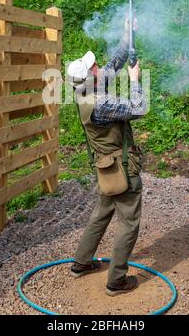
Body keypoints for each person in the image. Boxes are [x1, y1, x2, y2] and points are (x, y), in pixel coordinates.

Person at [67, 19, 147, 296]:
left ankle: (81, 262)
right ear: (92, 77)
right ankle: (117, 280)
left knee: (102, 212)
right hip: (122, 168)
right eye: (94, 67)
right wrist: (135, 81)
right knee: (129, 222)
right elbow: (139, 107)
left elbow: (114, 62)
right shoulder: (102, 103)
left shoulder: (86, 92)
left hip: (105, 167)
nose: (99, 66)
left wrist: (128, 33)